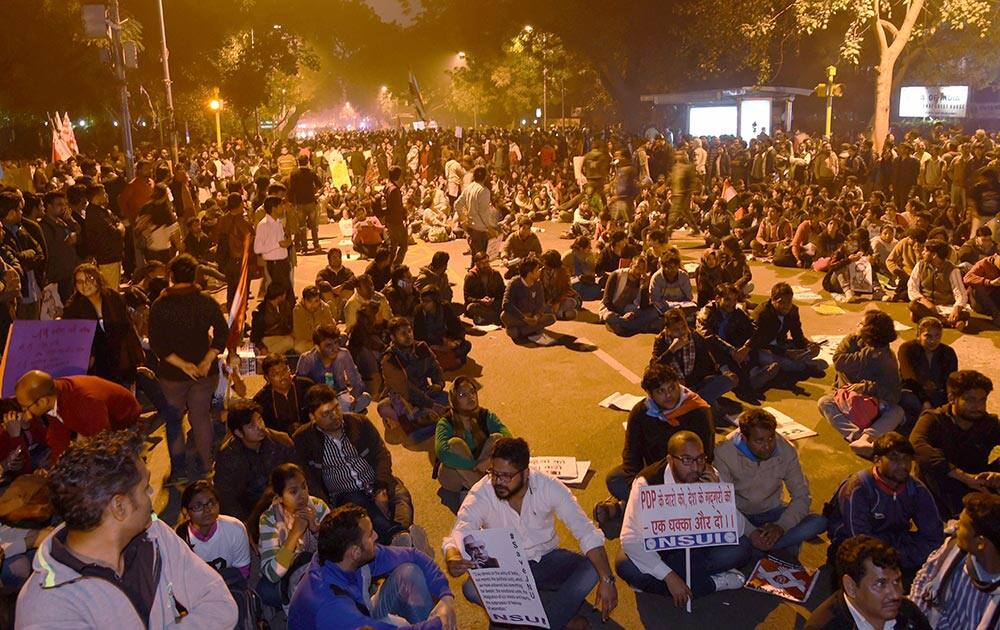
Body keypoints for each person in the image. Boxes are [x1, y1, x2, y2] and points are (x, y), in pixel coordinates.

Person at [15, 430, 238, 628]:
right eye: (145, 488)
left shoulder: (155, 535)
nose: (152, 495)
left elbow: (221, 605)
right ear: (119, 506)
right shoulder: (47, 608)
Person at [443, 437, 618, 630]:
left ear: (526, 473)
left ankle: (532, 622)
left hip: (547, 559)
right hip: (508, 569)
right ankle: (557, 619)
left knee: (593, 569)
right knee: (470, 588)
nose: (498, 481)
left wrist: (607, 579)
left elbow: (586, 532)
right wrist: (453, 556)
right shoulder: (482, 492)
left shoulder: (548, 486)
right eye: (494, 473)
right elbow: (461, 531)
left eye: (507, 476)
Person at [617, 431, 750, 607]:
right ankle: (712, 583)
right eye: (687, 460)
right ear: (670, 460)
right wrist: (669, 577)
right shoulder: (646, 482)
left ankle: (658, 583)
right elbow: (630, 539)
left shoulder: (710, 474)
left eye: (700, 458)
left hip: (700, 548)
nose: (695, 467)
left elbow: (737, 530)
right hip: (665, 552)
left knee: (742, 549)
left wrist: (716, 494)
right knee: (625, 565)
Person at [293, 383, 425, 549]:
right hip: (345, 494)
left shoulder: (358, 423)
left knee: (401, 501)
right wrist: (326, 508)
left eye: (336, 408)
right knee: (361, 510)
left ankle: (400, 540)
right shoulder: (303, 439)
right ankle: (400, 538)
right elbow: (308, 480)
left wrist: (381, 488)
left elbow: (381, 454)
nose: (335, 415)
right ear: (312, 417)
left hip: (376, 481)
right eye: (326, 413)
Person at [288, 505, 457, 630]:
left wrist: (445, 597)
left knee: (410, 572)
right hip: (349, 621)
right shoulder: (330, 606)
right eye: (370, 535)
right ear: (354, 551)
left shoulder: (344, 556)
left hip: (360, 611)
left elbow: (413, 555)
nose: (376, 536)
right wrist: (438, 623)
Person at [148, 253, 229, 477]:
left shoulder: (161, 305)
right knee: (201, 417)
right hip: (204, 373)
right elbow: (223, 332)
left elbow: (157, 343)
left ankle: (178, 470)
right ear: (194, 275)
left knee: (174, 421)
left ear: (171, 276)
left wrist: (182, 365)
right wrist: (206, 359)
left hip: (173, 375)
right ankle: (206, 466)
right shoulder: (205, 300)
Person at [715, 408, 827, 564]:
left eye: (770, 438)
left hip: (772, 513)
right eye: (759, 441)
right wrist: (751, 532)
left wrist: (781, 527)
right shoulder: (723, 452)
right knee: (729, 551)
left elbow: (802, 495)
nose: (767, 446)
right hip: (740, 516)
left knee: (818, 522)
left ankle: (760, 549)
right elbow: (722, 504)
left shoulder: (786, 450)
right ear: (745, 438)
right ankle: (772, 548)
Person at [825, 432, 944, 573]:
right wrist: (893, 559)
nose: (902, 464)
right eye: (894, 458)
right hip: (855, 546)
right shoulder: (859, 487)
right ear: (877, 460)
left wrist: (906, 556)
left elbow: (933, 535)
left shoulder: (916, 490)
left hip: (896, 546)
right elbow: (859, 539)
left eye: (907, 458)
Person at [604, 363, 714, 502]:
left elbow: (707, 454)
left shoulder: (698, 410)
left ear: (678, 384)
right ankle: (643, 505)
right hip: (655, 472)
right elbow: (632, 453)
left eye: (672, 388)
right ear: (650, 394)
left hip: (689, 472)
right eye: (660, 391)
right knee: (615, 480)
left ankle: (627, 509)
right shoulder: (640, 412)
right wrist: (635, 487)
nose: (668, 395)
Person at [911, 369, 1000, 520]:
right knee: (931, 463)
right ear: (952, 398)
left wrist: (997, 476)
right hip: (945, 484)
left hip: (977, 481)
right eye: (970, 400)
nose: (978, 406)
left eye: (982, 400)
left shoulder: (988, 423)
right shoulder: (934, 419)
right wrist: (963, 477)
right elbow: (916, 444)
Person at [817, 309, 906, 458]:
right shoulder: (851, 340)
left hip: (873, 404)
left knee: (897, 411)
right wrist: (868, 353)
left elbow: (893, 394)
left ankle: (867, 437)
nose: (857, 325)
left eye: (862, 323)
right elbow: (840, 362)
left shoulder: (887, 358)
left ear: (870, 331)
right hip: (847, 400)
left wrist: (867, 387)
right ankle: (858, 437)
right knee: (824, 403)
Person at [911, 492, 1000, 629]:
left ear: (980, 543)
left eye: (962, 525)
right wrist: (916, 623)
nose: (955, 526)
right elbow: (923, 580)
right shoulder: (953, 550)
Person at [13, 370, 141, 464]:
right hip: (99, 423)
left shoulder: (83, 401)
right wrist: (57, 466)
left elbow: (103, 444)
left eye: (26, 407)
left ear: (43, 401)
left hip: (124, 422)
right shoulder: (54, 395)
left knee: (118, 468)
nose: (26, 414)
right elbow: (58, 436)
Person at [805, 535, 931, 630]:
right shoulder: (823, 627)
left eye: (897, 581)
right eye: (881, 584)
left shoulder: (908, 612)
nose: (896, 595)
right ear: (851, 587)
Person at [257, 463, 332, 609]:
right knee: (265, 590)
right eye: (293, 492)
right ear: (279, 497)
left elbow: (336, 552)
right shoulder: (269, 520)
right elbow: (273, 573)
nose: (302, 495)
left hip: (314, 567)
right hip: (287, 572)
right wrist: (294, 534)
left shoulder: (318, 506)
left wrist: (316, 530)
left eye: (304, 486)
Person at [213, 398, 295, 522]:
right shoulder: (227, 456)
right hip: (248, 511)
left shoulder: (281, 441)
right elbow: (227, 498)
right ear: (239, 433)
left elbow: (296, 476)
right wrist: (244, 526)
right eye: (252, 426)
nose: (260, 427)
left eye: (260, 420)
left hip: (284, 503)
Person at [62, 262, 144, 387]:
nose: (85, 285)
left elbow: (127, 326)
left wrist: (136, 353)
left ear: (98, 279)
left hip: (120, 358)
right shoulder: (72, 308)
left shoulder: (112, 297)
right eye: (80, 281)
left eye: (89, 279)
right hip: (96, 365)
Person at [650, 307, 738, 412]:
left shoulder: (694, 336)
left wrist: (722, 372)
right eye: (676, 330)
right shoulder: (661, 341)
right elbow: (654, 369)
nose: (682, 332)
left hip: (695, 384)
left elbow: (706, 361)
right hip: (675, 387)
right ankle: (699, 404)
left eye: (683, 327)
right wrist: (672, 350)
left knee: (731, 379)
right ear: (668, 331)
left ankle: (693, 404)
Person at [434, 376, 512, 493]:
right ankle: (485, 490)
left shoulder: (484, 415)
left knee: (498, 438)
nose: (470, 397)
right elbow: (443, 453)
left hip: (480, 466)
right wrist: (475, 466)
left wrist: (489, 460)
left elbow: (508, 438)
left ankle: (475, 489)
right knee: (455, 444)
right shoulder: (446, 422)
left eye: (472, 392)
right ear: (454, 400)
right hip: (453, 475)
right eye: (462, 395)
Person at [378, 317, 449, 440]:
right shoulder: (389, 360)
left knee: (450, 398)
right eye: (403, 333)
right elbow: (405, 390)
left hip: (424, 392)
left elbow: (435, 367)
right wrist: (432, 405)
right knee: (384, 408)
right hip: (404, 399)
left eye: (410, 331)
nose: (408, 336)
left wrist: (439, 383)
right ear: (393, 337)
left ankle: (426, 418)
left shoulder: (421, 347)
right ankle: (419, 418)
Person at [176, 480, 253, 579]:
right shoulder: (178, 539)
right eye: (198, 506)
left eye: (211, 503)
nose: (207, 510)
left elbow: (242, 571)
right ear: (185, 511)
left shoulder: (235, 529)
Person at [749, 282, 825, 375]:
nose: (786, 306)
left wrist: (808, 345)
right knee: (782, 362)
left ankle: (796, 364)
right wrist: (785, 353)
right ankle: (801, 366)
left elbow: (797, 335)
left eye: (789, 302)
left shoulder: (793, 310)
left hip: (781, 344)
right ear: (773, 300)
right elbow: (756, 342)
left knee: (813, 352)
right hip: (764, 349)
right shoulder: (762, 314)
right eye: (781, 302)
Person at [295, 323, 371, 414]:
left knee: (365, 397)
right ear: (317, 347)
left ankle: (343, 412)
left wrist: (353, 396)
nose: (335, 348)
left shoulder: (343, 354)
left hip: (340, 396)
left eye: (336, 343)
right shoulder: (307, 359)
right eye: (328, 345)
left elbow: (357, 381)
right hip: (319, 402)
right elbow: (300, 389)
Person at [898, 317, 958, 421]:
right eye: (928, 336)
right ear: (918, 335)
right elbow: (909, 378)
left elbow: (951, 380)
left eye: (937, 336)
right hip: (913, 393)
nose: (933, 341)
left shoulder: (948, 352)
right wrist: (925, 401)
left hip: (938, 395)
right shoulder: (907, 349)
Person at [907, 238, 970, 330]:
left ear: (934, 255)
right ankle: (946, 322)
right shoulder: (920, 265)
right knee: (913, 305)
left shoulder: (952, 270)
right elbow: (912, 288)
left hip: (946, 307)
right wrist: (925, 302)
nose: (922, 253)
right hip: (927, 306)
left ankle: (931, 320)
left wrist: (956, 309)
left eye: (925, 250)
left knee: (964, 312)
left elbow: (960, 294)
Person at [413, 285, 471, 370]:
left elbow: (456, 326)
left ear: (435, 301)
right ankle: (452, 361)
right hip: (431, 344)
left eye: (427, 301)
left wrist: (456, 342)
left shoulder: (444, 308)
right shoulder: (419, 311)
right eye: (422, 300)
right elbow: (418, 336)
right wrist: (440, 344)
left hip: (445, 340)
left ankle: (449, 360)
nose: (423, 304)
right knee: (423, 354)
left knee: (467, 345)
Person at [600, 256, 661, 337]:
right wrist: (622, 315)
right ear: (631, 265)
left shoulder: (642, 280)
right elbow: (607, 301)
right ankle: (639, 327)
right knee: (609, 317)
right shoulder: (617, 275)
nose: (639, 271)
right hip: (613, 310)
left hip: (630, 310)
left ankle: (624, 326)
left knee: (653, 312)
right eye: (637, 267)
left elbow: (643, 306)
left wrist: (644, 288)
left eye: (643, 269)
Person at [253, 353, 314, 434]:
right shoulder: (261, 399)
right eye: (275, 374)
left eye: (284, 370)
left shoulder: (306, 386)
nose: (282, 376)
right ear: (267, 378)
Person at [500, 257, 557, 343]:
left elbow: (540, 304)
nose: (540, 272)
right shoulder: (514, 283)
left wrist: (536, 317)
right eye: (537, 270)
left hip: (532, 315)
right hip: (519, 316)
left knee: (551, 318)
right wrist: (524, 318)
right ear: (530, 273)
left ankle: (521, 331)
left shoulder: (537, 284)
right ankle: (532, 329)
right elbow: (506, 304)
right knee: (504, 316)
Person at [38, 190, 81, 302]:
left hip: (70, 273)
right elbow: (52, 250)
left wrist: (71, 222)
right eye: (59, 204)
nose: (63, 208)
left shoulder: (62, 222)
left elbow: (78, 230)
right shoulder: (44, 227)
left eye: (64, 204)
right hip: (58, 277)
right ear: (48, 206)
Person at [82, 183, 125, 288]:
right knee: (111, 288)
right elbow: (115, 232)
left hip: (113, 256)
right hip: (107, 258)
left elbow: (117, 221)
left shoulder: (103, 211)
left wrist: (119, 226)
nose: (106, 195)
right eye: (104, 193)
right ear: (96, 197)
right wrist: (120, 228)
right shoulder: (95, 214)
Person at [254, 195, 293, 299]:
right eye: (281, 205)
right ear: (274, 208)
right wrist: (278, 244)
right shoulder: (263, 225)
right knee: (279, 295)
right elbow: (257, 248)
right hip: (274, 264)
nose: (283, 207)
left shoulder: (278, 222)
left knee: (287, 295)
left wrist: (287, 241)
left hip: (283, 262)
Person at [288, 154, 323, 252]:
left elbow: (291, 189)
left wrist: (291, 201)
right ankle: (316, 245)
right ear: (307, 162)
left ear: (298, 162)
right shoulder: (311, 172)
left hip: (299, 203)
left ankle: (304, 246)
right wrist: (317, 194)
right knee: (313, 226)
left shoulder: (294, 173)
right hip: (311, 201)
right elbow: (320, 185)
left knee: (302, 226)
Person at [250, 282, 296, 355]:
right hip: (267, 339)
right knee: (289, 342)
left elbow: (289, 324)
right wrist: (262, 347)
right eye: (284, 294)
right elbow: (255, 335)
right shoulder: (261, 311)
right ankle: (270, 356)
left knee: (294, 342)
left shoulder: (285, 306)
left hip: (282, 337)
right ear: (279, 296)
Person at [463, 251, 505, 326]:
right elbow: (467, 298)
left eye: (487, 262)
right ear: (476, 264)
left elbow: (502, 292)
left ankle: (486, 317)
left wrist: (493, 300)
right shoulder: (471, 276)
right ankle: (496, 318)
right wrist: (481, 301)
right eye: (483, 263)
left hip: (493, 303)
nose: (486, 265)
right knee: (470, 307)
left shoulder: (495, 274)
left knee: (506, 303)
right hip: (479, 304)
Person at [315, 247, 355, 321]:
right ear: (329, 259)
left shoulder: (347, 271)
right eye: (333, 257)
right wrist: (331, 288)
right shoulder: (323, 272)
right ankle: (333, 314)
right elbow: (319, 282)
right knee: (325, 291)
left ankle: (341, 312)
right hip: (330, 300)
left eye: (338, 257)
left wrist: (342, 286)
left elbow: (353, 280)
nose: (336, 259)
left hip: (342, 298)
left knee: (348, 290)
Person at [292, 285, 334, 353]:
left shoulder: (325, 308)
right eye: (310, 302)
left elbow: (330, 328)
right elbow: (300, 334)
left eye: (316, 301)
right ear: (303, 300)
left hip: (323, 341)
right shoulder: (297, 311)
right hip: (306, 343)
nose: (313, 305)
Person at [963, 249, 1000, 325]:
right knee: (977, 287)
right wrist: (989, 282)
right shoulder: (984, 264)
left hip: (995, 297)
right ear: (996, 256)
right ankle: (996, 315)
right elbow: (967, 278)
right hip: (980, 300)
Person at [383, 166, 408, 265]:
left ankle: (388, 265)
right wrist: (404, 214)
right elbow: (397, 208)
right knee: (403, 244)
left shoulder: (387, 186)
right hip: (396, 220)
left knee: (393, 245)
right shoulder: (394, 190)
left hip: (389, 219)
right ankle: (396, 265)